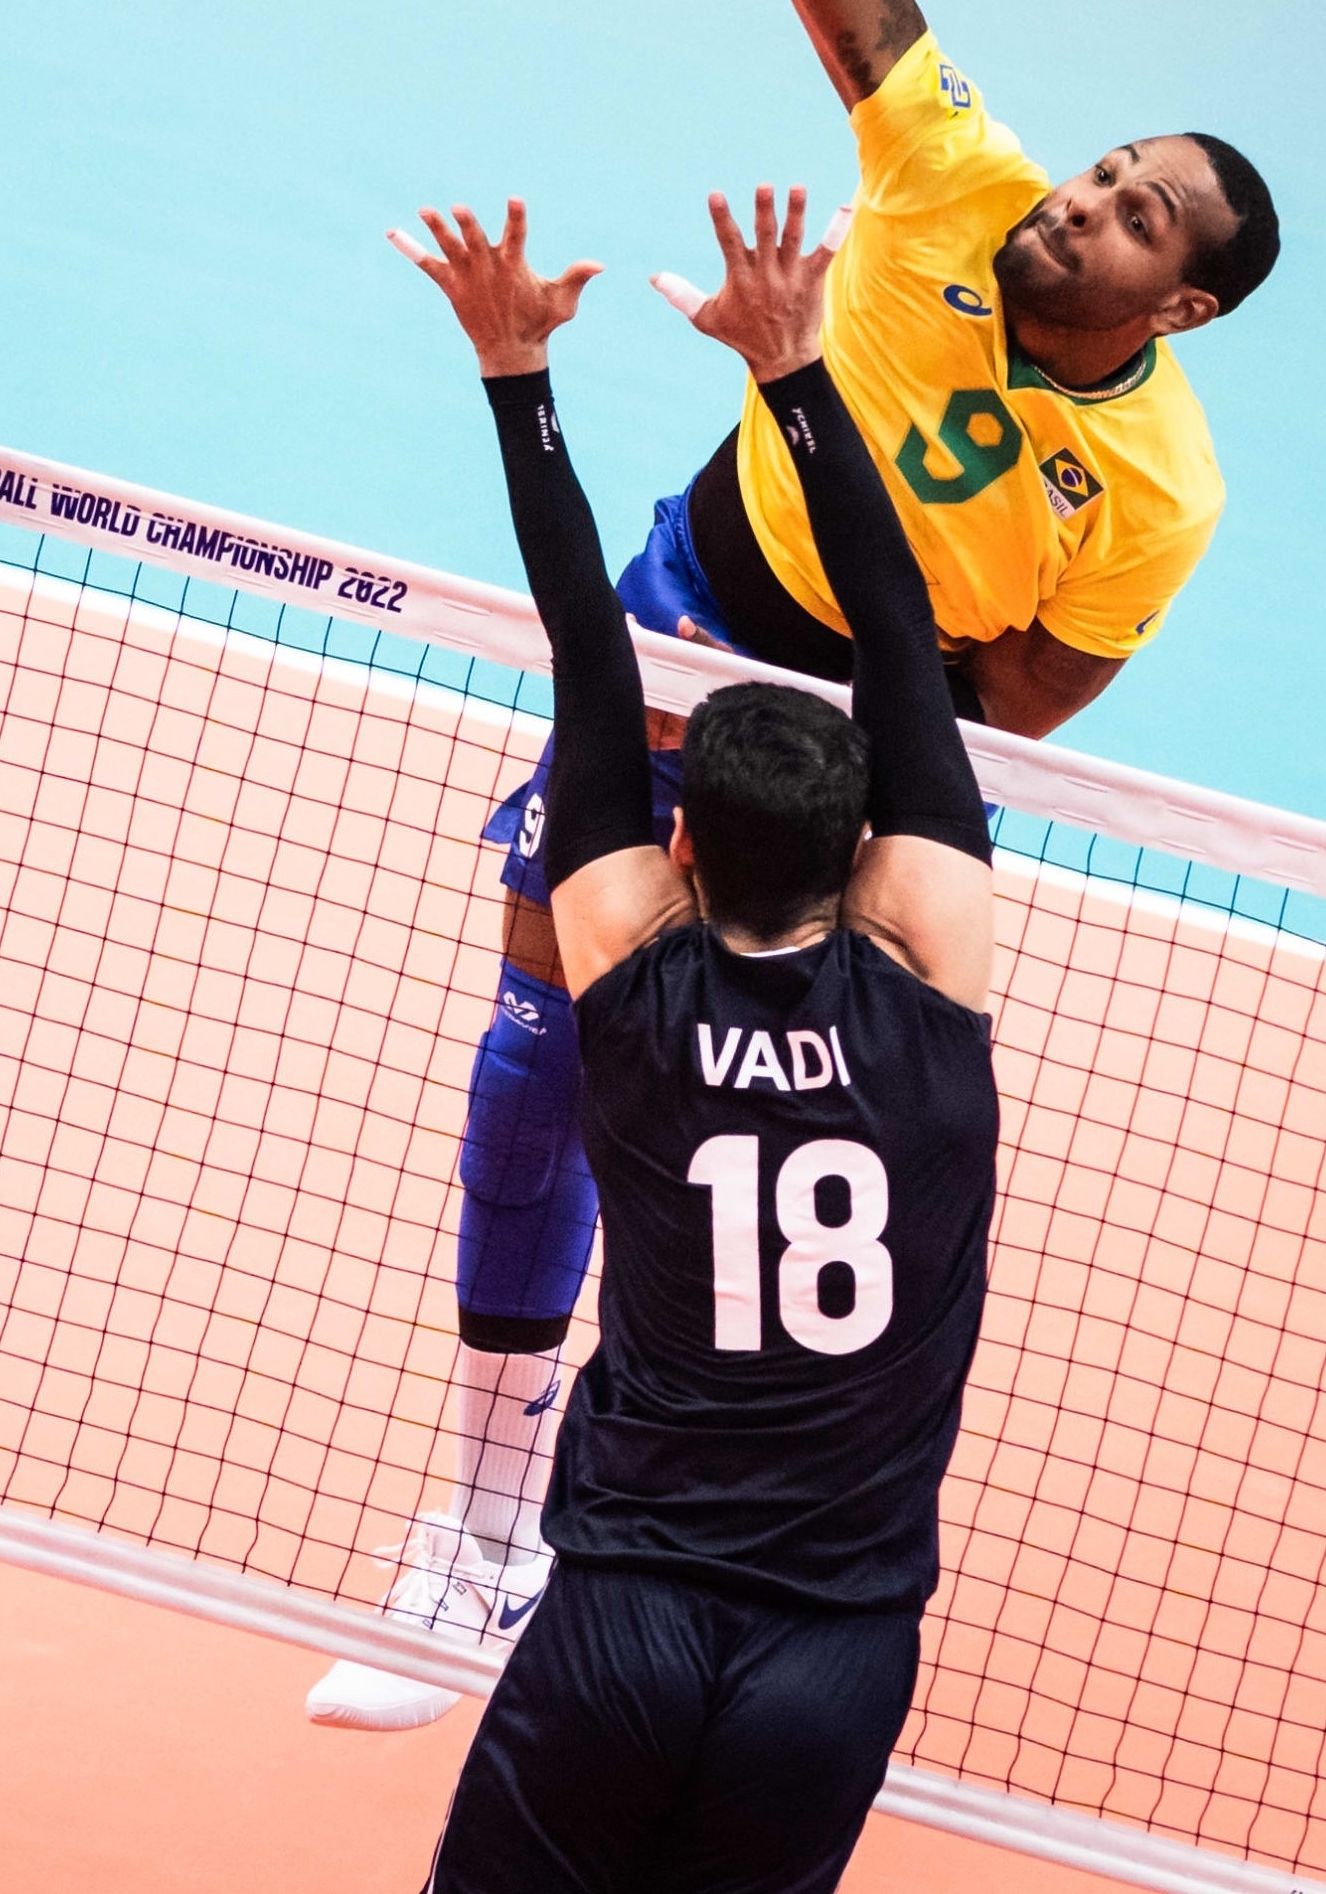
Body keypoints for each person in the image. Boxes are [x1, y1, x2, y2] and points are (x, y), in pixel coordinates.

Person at [311, 0, 1282, 1728]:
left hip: (868, 744)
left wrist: (883, 692)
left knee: (776, 1113)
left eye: (1128, 219)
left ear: (1174, 303)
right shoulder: (946, 175)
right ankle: (487, 1530)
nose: (1080, 203)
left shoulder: (1154, 487)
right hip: (671, 625)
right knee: (537, 1043)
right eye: (1102, 166)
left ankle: (689, 1509)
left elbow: (1029, 694)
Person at [399, 186, 998, 1892]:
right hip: (840, 1643)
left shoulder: (632, 1002)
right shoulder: (930, 981)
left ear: (673, 856)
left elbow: (594, 645)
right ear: (879, 864)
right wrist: (801, 374)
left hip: (620, 1614)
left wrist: (518, 372)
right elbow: (902, 637)